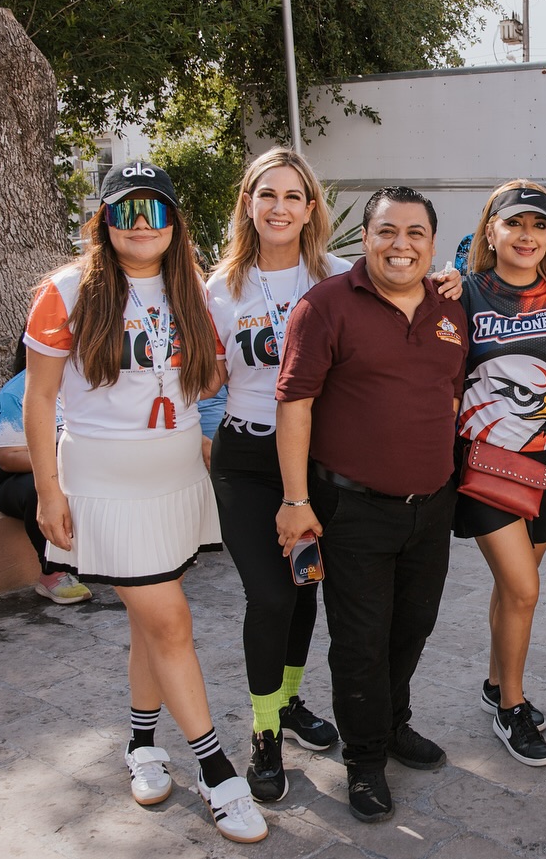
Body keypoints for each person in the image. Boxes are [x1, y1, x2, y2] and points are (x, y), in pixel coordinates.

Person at [24, 162, 267, 843]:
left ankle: (141, 744)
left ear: (173, 222)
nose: (140, 224)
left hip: (177, 480)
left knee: (151, 624)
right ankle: (216, 771)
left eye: (154, 210)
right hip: (105, 485)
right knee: (171, 621)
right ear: (103, 220)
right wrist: (47, 488)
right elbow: (40, 399)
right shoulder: (65, 291)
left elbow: (211, 373)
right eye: (125, 210)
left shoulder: (191, 289)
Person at [274, 186, 468, 823]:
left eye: (415, 233)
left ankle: (391, 723)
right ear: (365, 238)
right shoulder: (325, 305)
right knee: (361, 642)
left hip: (431, 506)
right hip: (352, 509)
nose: (400, 245)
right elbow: (294, 404)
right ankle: (363, 760)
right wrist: (296, 499)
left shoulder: (450, 309)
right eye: (387, 231)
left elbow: (450, 395)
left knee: (413, 626)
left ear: (432, 244)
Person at [206, 147, 348, 803]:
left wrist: (452, 282)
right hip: (245, 458)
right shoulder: (219, 289)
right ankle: (264, 733)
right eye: (267, 194)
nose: (280, 207)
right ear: (248, 203)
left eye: (293, 196)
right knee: (269, 595)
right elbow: (203, 377)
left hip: (317, 460)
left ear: (310, 208)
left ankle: (287, 703)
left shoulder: (340, 278)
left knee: (302, 587)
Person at [455, 181, 546, 767]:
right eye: (515, 224)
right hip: (485, 467)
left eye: (539, 225)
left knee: (513, 588)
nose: (527, 236)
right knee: (525, 589)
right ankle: (512, 706)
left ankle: (494, 682)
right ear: (491, 230)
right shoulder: (462, 294)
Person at [0, 338, 93, 605]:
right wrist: (63, 460)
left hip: (81, 471)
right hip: (18, 479)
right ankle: (53, 574)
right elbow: (8, 458)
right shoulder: (16, 392)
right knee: (40, 489)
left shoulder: (91, 381)